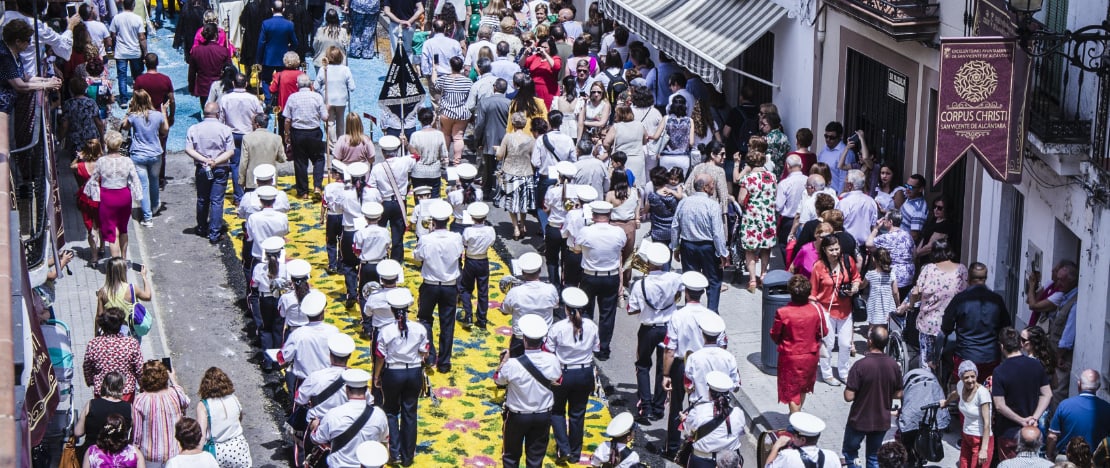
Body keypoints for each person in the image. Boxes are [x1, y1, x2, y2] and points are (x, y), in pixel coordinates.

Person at [494, 314, 563, 468]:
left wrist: (503, 361)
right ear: (542, 340)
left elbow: (498, 379)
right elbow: (558, 380)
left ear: (524, 339)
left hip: (517, 416)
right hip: (542, 415)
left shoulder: (513, 364)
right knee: (535, 458)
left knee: (511, 457)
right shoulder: (552, 360)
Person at [372, 289, 428, 466]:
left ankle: (394, 452)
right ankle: (408, 456)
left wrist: (376, 375)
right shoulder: (419, 328)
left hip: (393, 372)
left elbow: (380, 355)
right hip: (413, 372)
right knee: (410, 414)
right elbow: (424, 352)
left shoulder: (386, 330)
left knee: (390, 411)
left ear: (392, 310)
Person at [627, 243, 681, 421]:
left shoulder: (640, 284)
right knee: (663, 368)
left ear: (648, 261)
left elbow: (631, 310)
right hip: (668, 327)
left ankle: (646, 406)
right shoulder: (674, 279)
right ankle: (659, 408)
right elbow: (679, 295)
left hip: (648, 328)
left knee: (642, 366)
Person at [662, 272, 714, 456]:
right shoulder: (710, 315)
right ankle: (697, 444)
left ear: (686, 293)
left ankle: (673, 447)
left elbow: (670, 349)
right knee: (702, 404)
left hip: (681, 365)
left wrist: (665, 374)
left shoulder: (677, 316)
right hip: (703, 366)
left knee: (676, 405)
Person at [548, 287, 601, 463]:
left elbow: (549, 351)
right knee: (578, 414)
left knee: (557, 411)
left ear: (566, 308)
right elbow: (596, 348)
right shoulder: (592, 326)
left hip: (564, 372)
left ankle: (564, 448)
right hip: (585, 372)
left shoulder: (558, 328)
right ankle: (575, 453)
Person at [898, 239, 967, 370]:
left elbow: (915, 292)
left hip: (929, 323)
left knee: (926, 360)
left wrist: (911, 305)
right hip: (953, 324)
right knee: (949, 360)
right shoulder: (961, 269)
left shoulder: (928, 269)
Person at [571, 201, 625, 361]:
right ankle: (604, 348)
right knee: (607, 314)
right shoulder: (618, 232)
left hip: (589, 275)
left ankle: (586, 342)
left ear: (593, 215)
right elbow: (621, 248)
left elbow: (576, 249)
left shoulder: (585, 231)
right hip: (611, 276)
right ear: (609, 215)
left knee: (585, 310)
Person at [414, 200, 464, 373]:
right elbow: (458, 254)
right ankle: (444, 362)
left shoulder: (427, 239)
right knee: (447, 323)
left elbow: (417, 257)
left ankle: (430, 354)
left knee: (425, 319)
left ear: (433, 221)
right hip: (449, 285)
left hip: (430, 285)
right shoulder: (456, 238)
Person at [842, 326, 903, 468]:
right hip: (881, 420)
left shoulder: (860, 365)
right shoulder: (894, 365)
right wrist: (885, 391)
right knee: (874, 457)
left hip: (859, 419)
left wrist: (865, 390)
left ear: (870, 341)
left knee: (851, 454)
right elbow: (899, 393)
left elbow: (848, 396)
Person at [942, 262, 1011, 381]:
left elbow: (946, 325)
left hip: (966, 356)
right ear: (985, 278)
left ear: (968, 278)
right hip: (991, 357)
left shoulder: (960, 299)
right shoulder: (996, 299)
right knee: (989, 391)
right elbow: (1006, 326)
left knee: (965, 394)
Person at [992, 327, 1053, 461]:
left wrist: (1021, 421)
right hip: (1032, 432)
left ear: (1002, 346)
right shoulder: (1036, 365)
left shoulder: (999, 371)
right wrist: (1034, 418)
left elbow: (999, 406)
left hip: (1009, 432)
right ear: (1020, 344)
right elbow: (1047, 394)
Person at [671, 173, 729, 312]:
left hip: (688, 246)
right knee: (714, 282)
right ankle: (712, 312)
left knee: (690, 280)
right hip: (707, 248)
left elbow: (674, 226)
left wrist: (676, 247)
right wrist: (723, 253)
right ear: (705, 187)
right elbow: (717, 233)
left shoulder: (684, 202)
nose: (713, 187)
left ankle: (689, 310)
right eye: (712, 184)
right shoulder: (712, 205)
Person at [771, 275, 827, 413]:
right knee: (802, 388)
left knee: (792, 392)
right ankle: (797, 417)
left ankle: (795, 424)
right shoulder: (817, 310)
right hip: (810, 356)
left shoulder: (783, 312)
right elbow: (824, 331)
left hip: (790, 357)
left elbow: (775, 334)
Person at [311, 369, 389, 468]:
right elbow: (384, 441)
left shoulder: (333, 415)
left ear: (347, 390)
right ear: (366, 390)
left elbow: (316, 439)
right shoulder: (379, 415)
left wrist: (314, 426)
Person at [293, 333, 354, 460]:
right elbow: (367, 403)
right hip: (345, 429)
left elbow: (299, 399)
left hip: (317, 426)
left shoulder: (316, 376)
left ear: (330, 355)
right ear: (349, 356)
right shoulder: (355, 379)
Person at [82, 131, 143, 257]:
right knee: (123, 229)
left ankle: (115, 263)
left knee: (112, 231)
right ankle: (124, 260)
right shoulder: (127, 161)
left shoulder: (101, 161)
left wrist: (94, 195)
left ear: (106, 144)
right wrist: (137, 195)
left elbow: (93, 181)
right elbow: (135, 180)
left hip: (107, 198)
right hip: (124, 196)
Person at [810, 235, 860, 385]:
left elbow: (856, 277)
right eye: (831, 249)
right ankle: (827, 374)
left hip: (846, 310)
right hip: (825, 310)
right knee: (828, 344)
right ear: (824, 250)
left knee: (845, 344)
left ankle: (844, 373)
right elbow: (812, 293)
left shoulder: (847, 261)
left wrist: (855, 287)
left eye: (837, 249)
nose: (835, 252)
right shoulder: (818, 266)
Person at [185, 102, 235, 244]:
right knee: (217, 201)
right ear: (218, 114)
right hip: (220, 167)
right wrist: (215, 161)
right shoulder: (225, 129)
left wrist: (204, 160)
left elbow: (189, 149)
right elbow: (230, 151)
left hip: (202, 167)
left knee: (202, 198)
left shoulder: (194, 128)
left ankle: (201, 227)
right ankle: (214, 233)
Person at [120, 90, 168, 226]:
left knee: (143, 186)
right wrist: (164, 111)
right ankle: (154, 206)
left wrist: (129, 110)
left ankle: (147, 218)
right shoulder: (158, 115)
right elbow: (165, 130)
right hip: (155, 153)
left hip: (138, 154)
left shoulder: (134, 117)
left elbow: (124, 127)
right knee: (154, 181)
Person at [277, 291, 340, 395]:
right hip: (326, 381)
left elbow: (282, 358)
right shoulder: (333, 331)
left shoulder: (297, 334)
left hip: (304, 382)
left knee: (300, 408)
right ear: (322, 311)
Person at [132, 360, 191, 467]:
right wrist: (173, 379)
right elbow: (186, 402)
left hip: (150, 455)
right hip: (174, 451)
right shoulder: (175, 393)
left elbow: (137, 434)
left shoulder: (140, 400)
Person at [682, 371, 747, 466]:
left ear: (710, 392)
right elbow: (739, 432)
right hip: (730, 462)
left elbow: (689, 432)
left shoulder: (698, 411)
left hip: (703, 461)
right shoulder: (738, 413)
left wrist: (684, 419)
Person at [500, 252, 560, 356]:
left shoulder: (515, 292)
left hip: (520, 339)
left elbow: (504, 310)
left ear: (523, 272)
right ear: (540, 271)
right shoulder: (550, 289)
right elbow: (556, 305)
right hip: (543, 339)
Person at [737, 148, 779, 292]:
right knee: (766, 247)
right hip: (768, 216)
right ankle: (764, 275)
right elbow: (775, 195)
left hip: (752, 217)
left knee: (750, 249)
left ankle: (753, 280)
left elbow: (741, 200)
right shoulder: (772, 177)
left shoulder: (748, 178)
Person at [940, 360, 994, 468]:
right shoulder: (961, 385)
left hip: (981, 438)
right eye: (966, 377)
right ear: (961, 378)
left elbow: (987, 424)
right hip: (967, 436)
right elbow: (955, 394)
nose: (970, 380)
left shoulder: (982, 394)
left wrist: (983, 450)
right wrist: (946, 402)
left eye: (973, 376)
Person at [369, 136, 415, 261]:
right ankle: (396, 260)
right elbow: (417, 155)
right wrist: (407, 144)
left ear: (383, 152)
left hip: (384, 202)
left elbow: (371, 187)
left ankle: (380, 256)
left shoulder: (377, 168)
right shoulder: (405, 161)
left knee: (379, 232)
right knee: (397, 235)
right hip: (400, 202)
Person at [284, 73, 329, 198]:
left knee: (300, 162)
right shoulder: (317, 97)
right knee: (319, 159)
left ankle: (303, 191)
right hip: (313, 132)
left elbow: (287, 119)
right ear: (310, 85)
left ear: (297, 85)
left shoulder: (292, 97)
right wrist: (327, 109)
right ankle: (317, 186)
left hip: (298, 133)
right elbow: (325, 117)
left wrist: (286, 134)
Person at [1048, 370, 1110, 460]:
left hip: (1066, 459)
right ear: (1098, 387)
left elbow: (1052, 436)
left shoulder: (1064, 405)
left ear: (1079, 384)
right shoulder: (1107, 408)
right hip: (1094, 460)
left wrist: (1049, 456)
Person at [494, 112, 539, 238]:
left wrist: (496, 150)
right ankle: (523, 224)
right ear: (524, 125)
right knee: (523, 201)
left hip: (510, 172)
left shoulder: (508, 137)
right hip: (526, 172)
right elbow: (534, 159)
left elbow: (499, 156)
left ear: (513, 124)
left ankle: (515, 228)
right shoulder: (531, 140)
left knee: (511, 201)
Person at [83, 309, 143, 399]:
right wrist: (142, 385)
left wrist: (91, 381)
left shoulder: (94, 344)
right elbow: (139, 368)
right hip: (125, 392)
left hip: (102, 392)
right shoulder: (131, 343)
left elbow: (87, 366)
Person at [75, 372, 133, 460]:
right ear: (121, 387)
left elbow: (78, 432)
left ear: (104, 385)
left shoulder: (91, 404)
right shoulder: (128, 407)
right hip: (118, 455)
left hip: (92, 454)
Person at [684, 312, 740, 402]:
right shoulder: (730, 358)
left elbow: (688, 387)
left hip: (699, 408)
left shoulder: (693, 358)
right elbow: (736, 387)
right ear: (719, 336)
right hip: (722, 408)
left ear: (702, 334)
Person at [459, 202, 495, 328]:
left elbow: (464, 243)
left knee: (465, 288)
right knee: (483, 290)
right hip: (483, 260)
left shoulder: (468, 230)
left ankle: (468, 314)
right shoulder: (490, 230)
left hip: (470, 260)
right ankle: (482, 318)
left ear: (472, 217)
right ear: (485, 218)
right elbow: (491, 242)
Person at [866, 211, 916, 300]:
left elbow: (868, 244)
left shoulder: (886, 237)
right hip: (908, 274)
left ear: (890, 222)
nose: (883, 221)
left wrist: (876, 229)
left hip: (894, 276)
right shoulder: (907, 235)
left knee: (892, 303)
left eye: (885, 219)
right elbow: (914, 254)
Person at [765, 412, 842, 468]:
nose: (792, 438)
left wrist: (776, 447)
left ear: (802, 440)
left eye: (794, 436)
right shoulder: (832, 456)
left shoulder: (788, 456)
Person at [475, 78, 510, 196]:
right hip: (504, 140)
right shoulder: (509, 103)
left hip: (488, 139)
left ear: (494, 87)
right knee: (501, 168)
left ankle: (487, 190)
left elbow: (479, 124)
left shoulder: (485, 102)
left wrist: (478, 139)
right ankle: (500, 192)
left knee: (488, 167)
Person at [71, 139, 104, 263]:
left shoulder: (81, 166)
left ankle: (94, 257)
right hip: (101, 199)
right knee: (101, 224)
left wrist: (78, 157)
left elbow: (71, 166)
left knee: (91, 228)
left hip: (86, 199)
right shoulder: (103, 165)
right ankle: (102, 247)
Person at [108, 0, 146, 104]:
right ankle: (139, 98)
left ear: (123, 4)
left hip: (120, 52)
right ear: (133, 5)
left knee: (122, 76)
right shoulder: (138, 19)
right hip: (135, 51)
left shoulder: (116, 18)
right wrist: (145, 52)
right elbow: (142, 38)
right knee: (137, 76)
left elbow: (113, 34)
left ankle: (123, 100)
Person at [95, 257, 152, 326]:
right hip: (129, 331)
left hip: (111, 330)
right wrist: (144, 277)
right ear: (123, 271)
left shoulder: (102, 292)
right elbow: (147, 296)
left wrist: (96, 334)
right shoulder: (131, 288)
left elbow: (99, 316)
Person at [604, 105, 649, 187]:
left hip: (620, 160)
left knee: (621, 185)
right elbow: (645, 140)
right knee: (637, 186)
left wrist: (609, 149)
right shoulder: (639, 125)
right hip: (637, 159)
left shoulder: (616, 127)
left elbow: (606, 143)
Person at [256, 1, 298, 88]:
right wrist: (289, 51)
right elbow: (295, 43)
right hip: (283, 57)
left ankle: (268, 99)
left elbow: (261, 43)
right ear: (283, 10)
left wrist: (259, 60)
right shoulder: (289, 24)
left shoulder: (266, 23)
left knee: (265, 80)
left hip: (268, 57)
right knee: (282, 80)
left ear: (272, 9)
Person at [239, 115, 287, 190]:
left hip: (253, 180)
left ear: (257, 125)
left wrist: (241, 180)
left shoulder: (247, 138)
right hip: (270, 178)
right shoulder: (276, 138)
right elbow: (282, 159)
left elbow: (243, 162)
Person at [191, 24, 231, 108]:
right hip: (219, 86)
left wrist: (191, 87)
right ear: (216, 35)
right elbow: (229, 71)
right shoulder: (223, 51)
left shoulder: (196, 51)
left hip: (203, 86)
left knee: (206, 111)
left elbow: (192, 72)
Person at [835, 169, 878, 247]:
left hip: (847, 245)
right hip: (865, 246)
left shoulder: (844, 202)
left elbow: (837, 224)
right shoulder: (871, 201)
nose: (844, 183)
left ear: (850, 184)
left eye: (846, 181)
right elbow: (873, 225)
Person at [776, 154, 808, 248]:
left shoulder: (784, 183)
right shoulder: (808, 180)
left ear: (787, 166)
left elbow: (778, 206)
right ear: (801, 165)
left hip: (789, 220)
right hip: (806, 219)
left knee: (785, 247)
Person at [815, 121, 856, 193]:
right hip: (821, 192)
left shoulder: (846, 153)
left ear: (840, 137)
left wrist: (840, 197)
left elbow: (844, 178)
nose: (828, 139)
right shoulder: (824, 149)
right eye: (826, 136)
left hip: (835, 195)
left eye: (831, 137)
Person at [865, 248, 899, 330]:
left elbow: (862, 285)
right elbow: (895, 292)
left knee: (872, 327)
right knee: (887, 327)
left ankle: (871, 341)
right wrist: (898, 304)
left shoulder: (870, 274)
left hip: (874, 305)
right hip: (888, 304)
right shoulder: (892, 274)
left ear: (873, 259)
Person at [899, 174, 928, 242]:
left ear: (920, 189)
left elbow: (914, 236)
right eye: (906, 186)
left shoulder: (919, 211)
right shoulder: (910, 197)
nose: (907, 189)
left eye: (911, 187)